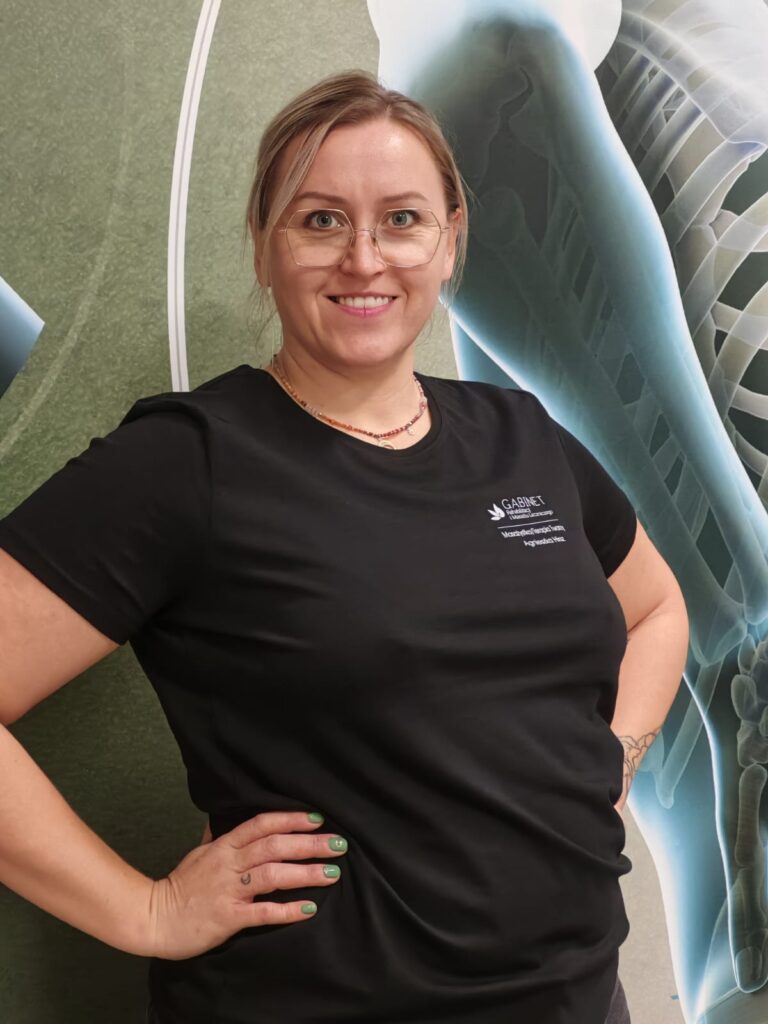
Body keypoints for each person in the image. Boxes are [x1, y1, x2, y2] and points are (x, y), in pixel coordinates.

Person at [0, 69, 688, 1024]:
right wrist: (144, 911)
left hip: (575, 997)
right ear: (263, 244)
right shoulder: (188, 461)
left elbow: (656, 608)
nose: (365, 259)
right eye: (320, 220)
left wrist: (616, 759)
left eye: (402, 220)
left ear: (449, 240)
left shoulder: (522, 436)